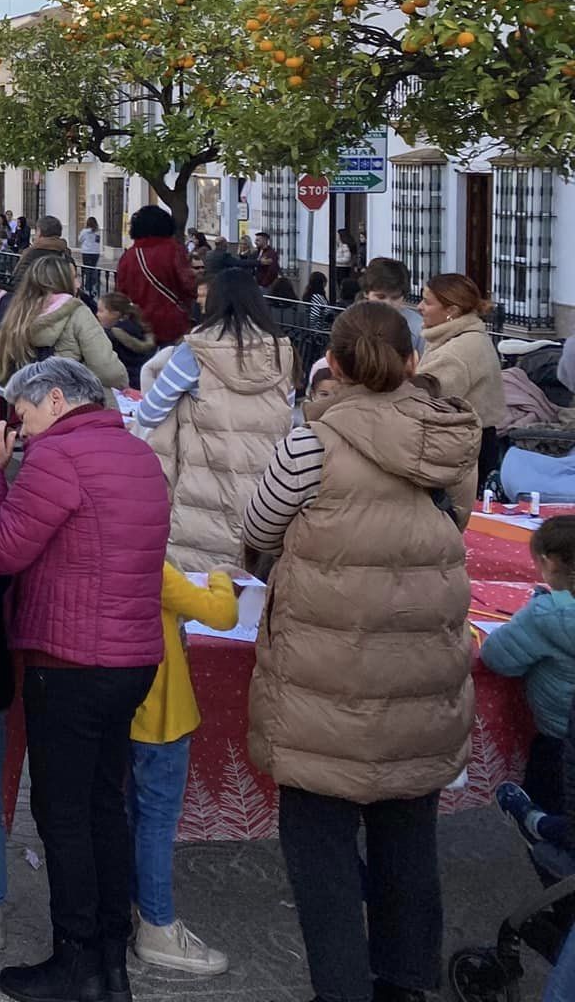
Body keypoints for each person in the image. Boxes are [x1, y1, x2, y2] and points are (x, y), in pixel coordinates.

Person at [242, 302, 477, 1002]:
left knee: (322, 854)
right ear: (412, 361)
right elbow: (454, 522)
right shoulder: (449, 441)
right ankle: (405, 983)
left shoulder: (311, 443)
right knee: (409, 840)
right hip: (420, 669)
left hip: (325, 678)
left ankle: (342, 988)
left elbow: (258, 523)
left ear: (334, 365)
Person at [0, 358, 169, 1002]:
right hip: (132, 658)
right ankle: (111, 960)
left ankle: (76, 959)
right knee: (103, 806)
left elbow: (2, 550)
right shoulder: (135, 453)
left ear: (55, 399)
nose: (17, 430)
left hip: (70, 661)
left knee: (63, 815)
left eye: (21, 416)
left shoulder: (58, 459)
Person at [131, 258, 294, 570]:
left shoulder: (195, 352)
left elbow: (150, 413)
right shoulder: (282, 351)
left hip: (205, 486)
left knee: (203, 591)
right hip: (265, 491)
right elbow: (285, 412)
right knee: (248, 590)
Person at [127, 564, 239, 975]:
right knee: (156, 824)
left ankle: (134, 910)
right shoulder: (155, 570)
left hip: (126, 713)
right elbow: (222, 615)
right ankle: (157, 924)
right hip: (164, 719)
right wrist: (220, 577)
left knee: (131, 818)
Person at [482, 517, 575, 816]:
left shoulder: (546, 616)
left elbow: (497, 658)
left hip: (560, 738)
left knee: (551, 811)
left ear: (548, 563)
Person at [0, 249, 126, 390]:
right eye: (74, 278)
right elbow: (111, 373)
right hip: (69, 401)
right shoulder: (78, 312)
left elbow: (0, 368)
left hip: (23, 401)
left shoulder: (16, 312)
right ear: (61, 282)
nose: (78, 284)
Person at [419, 271, 508, 486]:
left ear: (451, 311)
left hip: (461, 449)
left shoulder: (457, 351)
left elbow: (423, 401)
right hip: (473, 442)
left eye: (427, 302)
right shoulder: (465, 337)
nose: (420, 307)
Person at [114, 207, 191, 347]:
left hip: (140, 325)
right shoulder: (173, 250)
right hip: (173, 324)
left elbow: (121, 294)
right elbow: (188, 285)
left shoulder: (128, 257)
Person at [96, 290, 155, 389]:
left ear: (115, 314)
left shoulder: (113, 336)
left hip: (128, 383)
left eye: (101, 311)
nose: (97, 314)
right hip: (143, 380)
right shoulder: (138, 328)